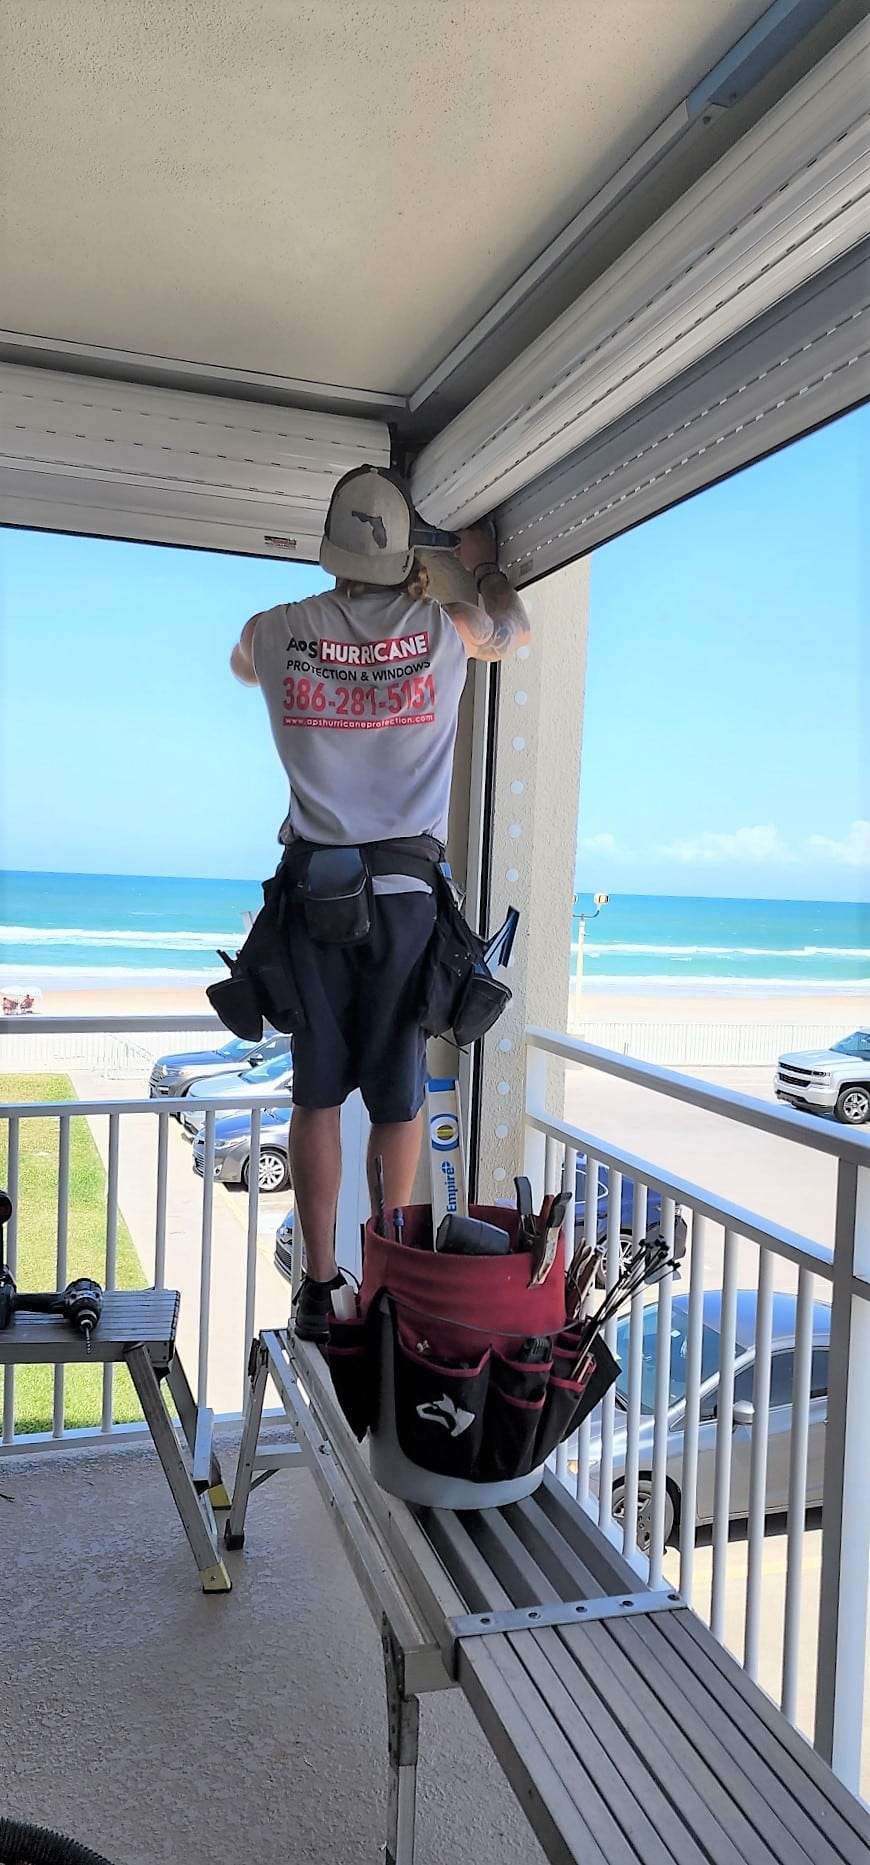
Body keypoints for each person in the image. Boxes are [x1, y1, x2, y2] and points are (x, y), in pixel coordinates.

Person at [230, 465, 531, 1339]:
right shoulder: (447, 631)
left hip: (313, 895)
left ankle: (318, 1285)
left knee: (316, 1093)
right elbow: (513, 629)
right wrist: (485, 567)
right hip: (404, 898)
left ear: (331, 553)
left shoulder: (277, 629)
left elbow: (242, 662)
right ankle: (387, 1280)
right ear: (410, 559)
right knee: (397, 1099)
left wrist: (317, 650)